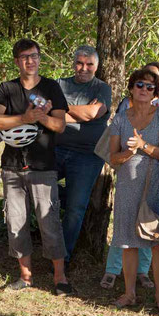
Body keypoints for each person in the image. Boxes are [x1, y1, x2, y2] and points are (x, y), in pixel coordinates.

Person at [0, 38, 74, 296]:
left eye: (34, 56)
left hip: (43, 166)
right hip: (12, 167)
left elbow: (60, 125)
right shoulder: (7, 88)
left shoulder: (51, 88)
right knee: (16, 222)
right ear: (17, 61)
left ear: (39, 58)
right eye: (25, 56)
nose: (30, 61)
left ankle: (60, 277)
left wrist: (42, 117)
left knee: (50, 224)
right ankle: (25, 275)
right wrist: (23, 118)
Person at [101, 61, 159, 290]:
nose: (144, 89)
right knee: (126, 239)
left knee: (156, 241)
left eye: (150, 86)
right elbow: (113, 157)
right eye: (139, 84)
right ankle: (128, 292)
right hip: (126, 185)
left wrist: (143, 145)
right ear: (131, 88)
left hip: (154, 184)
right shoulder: (122, 118)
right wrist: (128, 153)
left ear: (157, 91)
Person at [56, 45, 111, 272]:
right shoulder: (59, 84)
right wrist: (77, 112)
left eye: (89, 64)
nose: (83, 68)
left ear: (96, 67)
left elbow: (94, 113)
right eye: (79, 63)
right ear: (73, 63)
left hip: (87, 156)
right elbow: (48, 113)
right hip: (55, 150)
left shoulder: (102, 88)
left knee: (75, 209)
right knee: (38, 193)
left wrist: (63, 109)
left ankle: (63, 258)